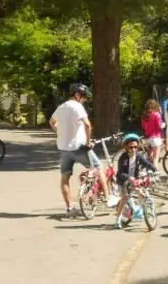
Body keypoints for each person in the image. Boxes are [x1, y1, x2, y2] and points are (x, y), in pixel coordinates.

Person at [49, 83, 118, 216]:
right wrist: (88, 142)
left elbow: (52, 122)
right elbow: (87, 125)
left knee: (65, 178)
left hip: (64, 149)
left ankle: (70, 208)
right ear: (77, 95)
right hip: (79, 147)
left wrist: (60, 132)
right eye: (84, 97)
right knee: (98, 167)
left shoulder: (61, 107)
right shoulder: (77, 107)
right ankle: (109, 198)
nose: (85, 100)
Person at [114, 133, 158, 225]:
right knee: (124, 198)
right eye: (131, 147)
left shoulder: (138, 156)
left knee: (141, 192)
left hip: (134, 180)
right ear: (126, 147)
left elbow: (147, 164)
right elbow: (120, 173)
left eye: (135, 147)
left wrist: (154, 170)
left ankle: (144, 211)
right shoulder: (122, 158)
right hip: (123, 181)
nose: (133, 149)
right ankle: (118, 218)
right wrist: (129, 178)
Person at [141, 99, 164, 164]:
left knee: (149, 157)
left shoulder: (144, 115)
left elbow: (143, 127)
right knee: (156, 157)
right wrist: (164, 125)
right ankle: (155, 171)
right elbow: (159, 126)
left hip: (147, 138)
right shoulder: (157, 114)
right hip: (156, 138)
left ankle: (149, 171)